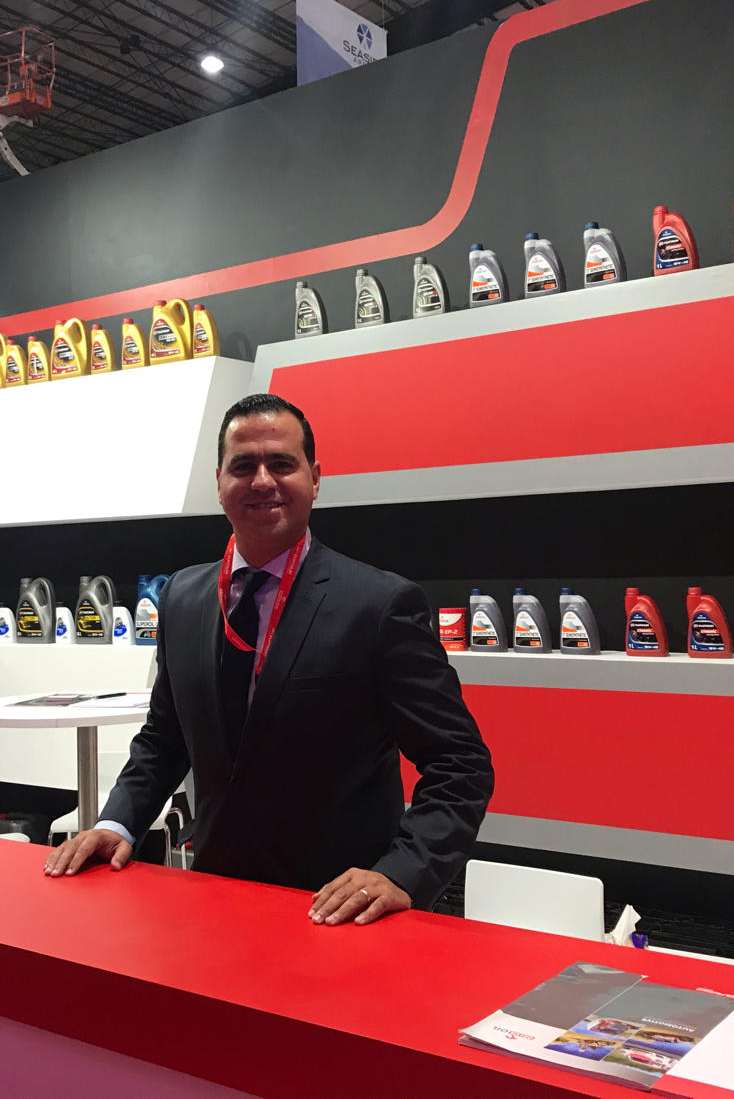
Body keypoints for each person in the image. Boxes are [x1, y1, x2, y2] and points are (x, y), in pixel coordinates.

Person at [44, 393, 493, 925]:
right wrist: (116, 824)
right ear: (219, 482)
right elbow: (165, 737)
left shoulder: (379, 605)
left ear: (315, 478)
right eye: (243, 466)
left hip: (339, 912)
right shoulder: (183, 597)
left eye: (281, 463)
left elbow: (459, 763)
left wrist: (402, 872)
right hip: (214, 896)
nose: (262, 481)